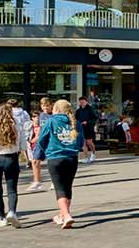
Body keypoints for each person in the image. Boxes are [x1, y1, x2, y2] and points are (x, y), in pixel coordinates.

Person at [36, 99, 83, 229]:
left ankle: (67, 215)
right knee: (68, 187)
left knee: (59, 187)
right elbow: (80, 142)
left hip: (55, 157)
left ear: (56, 109)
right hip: (71, 158)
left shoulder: (51, 121)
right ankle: (62, 214)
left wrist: (46, 152)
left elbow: (41, 139)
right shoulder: (76, 123)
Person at [0, 102, 24, 227]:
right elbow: (23, 146)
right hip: (11, 158)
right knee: (12, 189)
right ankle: (12, 212)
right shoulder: (17, 127)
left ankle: (1, 217)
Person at [26, 96, 53, 192]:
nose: (46, 108)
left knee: (52, 162)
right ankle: (37, 181)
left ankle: (54, 181)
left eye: (47, 106)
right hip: (41, 141)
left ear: (51, 106)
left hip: (51, 141)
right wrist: (35, 137)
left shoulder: (53, 115)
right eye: (44, 106)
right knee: (34, 161)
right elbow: (39, 128)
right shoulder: (41, 115)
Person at [74, 96, 99, 164]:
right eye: (80, 102)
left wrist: (87, 122)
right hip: (81, 128)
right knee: (83, 143)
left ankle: (93, 153)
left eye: (83, 102)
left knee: (89, 142)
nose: (82, 103)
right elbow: (75, 119)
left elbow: (95, 118)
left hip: (89, 128)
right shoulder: (78, 111)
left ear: (86, 102)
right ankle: (86, 157)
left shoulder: (90, 109)